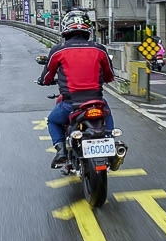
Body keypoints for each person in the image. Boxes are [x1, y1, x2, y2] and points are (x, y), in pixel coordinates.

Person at [37, 9, 116, 168]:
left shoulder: (58, 50)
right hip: (97, 102)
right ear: (88, 29)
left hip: (70, 104)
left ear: (65, 28)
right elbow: (109, 76)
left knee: (52, 121)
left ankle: (61, 151)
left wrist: (43, 81)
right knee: (107, 114)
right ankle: (111, 143)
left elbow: (46, 78)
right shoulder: (100, 49)